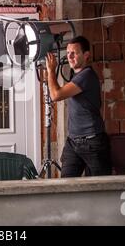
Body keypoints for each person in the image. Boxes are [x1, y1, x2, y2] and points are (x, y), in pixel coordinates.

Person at [45, 35, 111, 177]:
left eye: (74, 53)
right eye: (68, 53)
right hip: (73, 142)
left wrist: (50, 71)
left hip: (92, 142)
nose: (70, 56)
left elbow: (56, 95)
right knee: (66, 186)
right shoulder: (75, 75)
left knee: (100, 188)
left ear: (86, 55)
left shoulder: (86, 76)